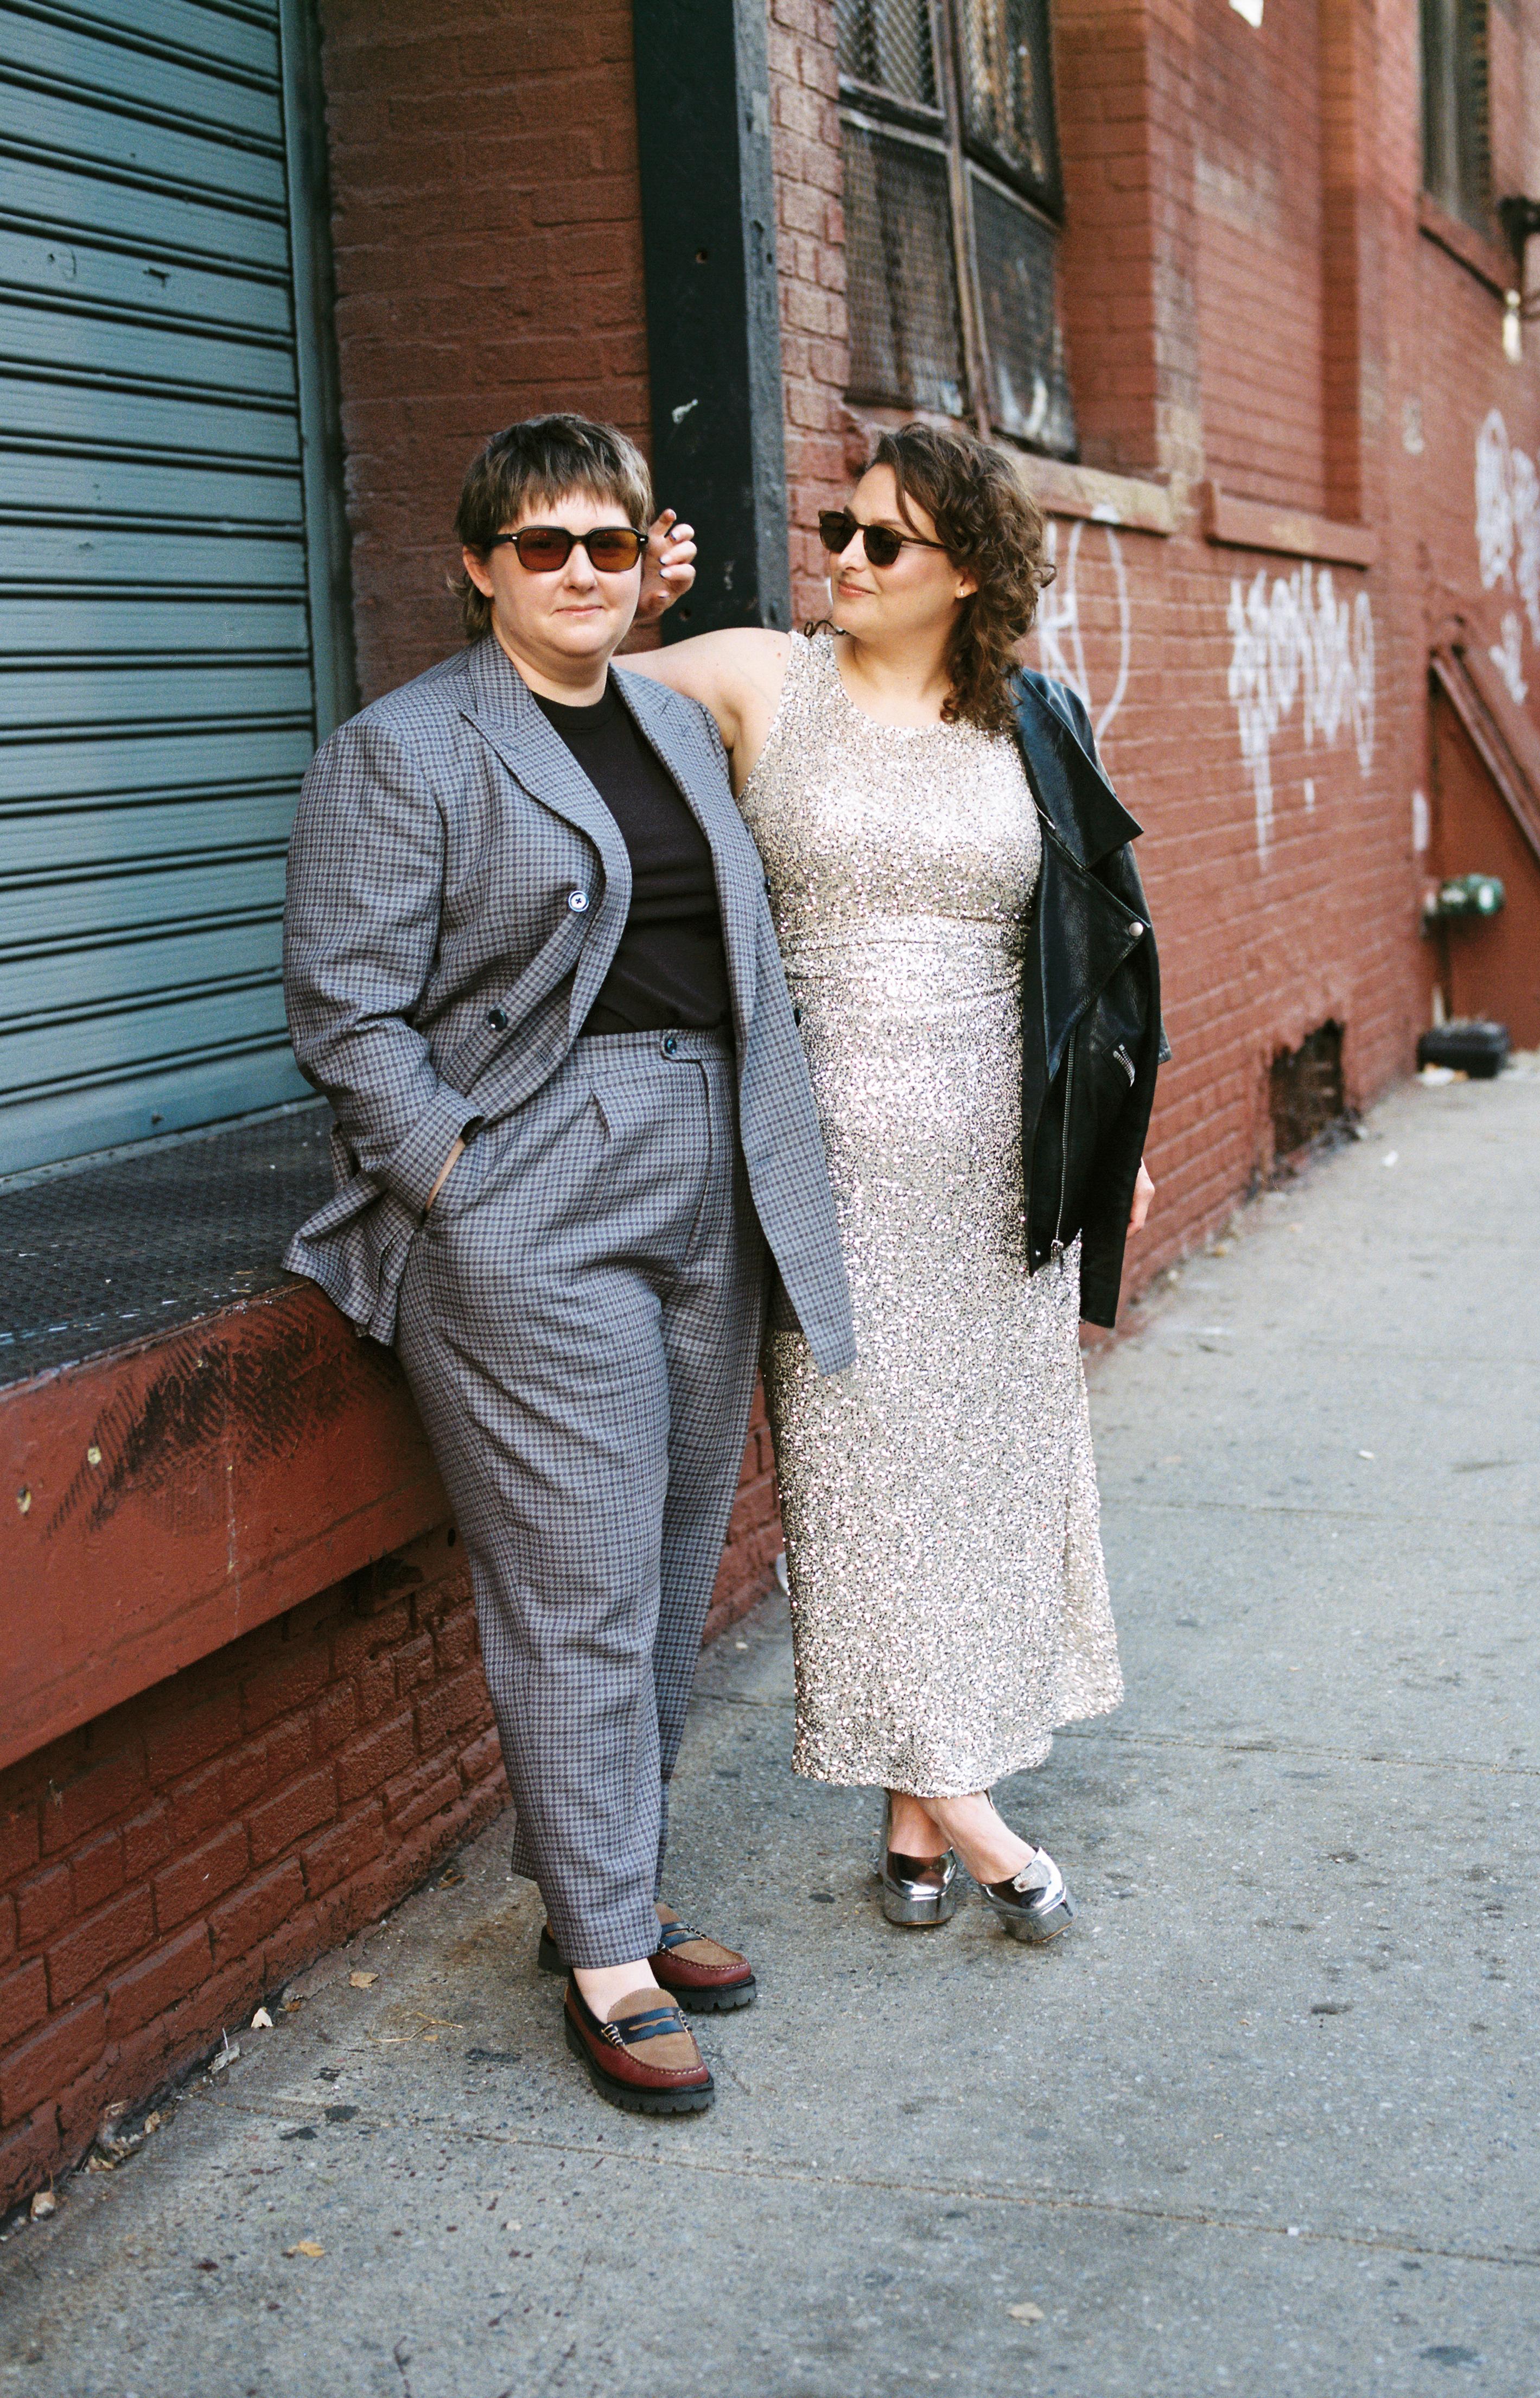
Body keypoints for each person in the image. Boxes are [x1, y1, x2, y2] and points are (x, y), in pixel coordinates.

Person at [282, 415, 852, 2115]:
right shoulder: (404, 748)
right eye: (545, 545)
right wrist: (457, 1182)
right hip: (531, 1183)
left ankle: (608, 1884)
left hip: (709, 1169)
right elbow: (346, 1009)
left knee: (670, 1559)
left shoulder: (672, 724)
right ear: (479, 566)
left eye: (611, 541)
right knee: (578, 1580)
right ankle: (607, 1952)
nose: (583, 571)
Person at [620, 422, 1162, 1940]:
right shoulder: (762, 678)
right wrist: (635, 602)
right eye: (837, 529)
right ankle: (980, 1821)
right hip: (829, 1168)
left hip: (1004, 1174)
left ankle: (916, 1822)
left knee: (979, 1488)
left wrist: (1107, 1154)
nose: (845, 559)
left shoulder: (1033, 722)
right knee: (860, 1486)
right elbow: (564, 685)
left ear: (967, 572)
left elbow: (1100, 952)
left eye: (883, 540)